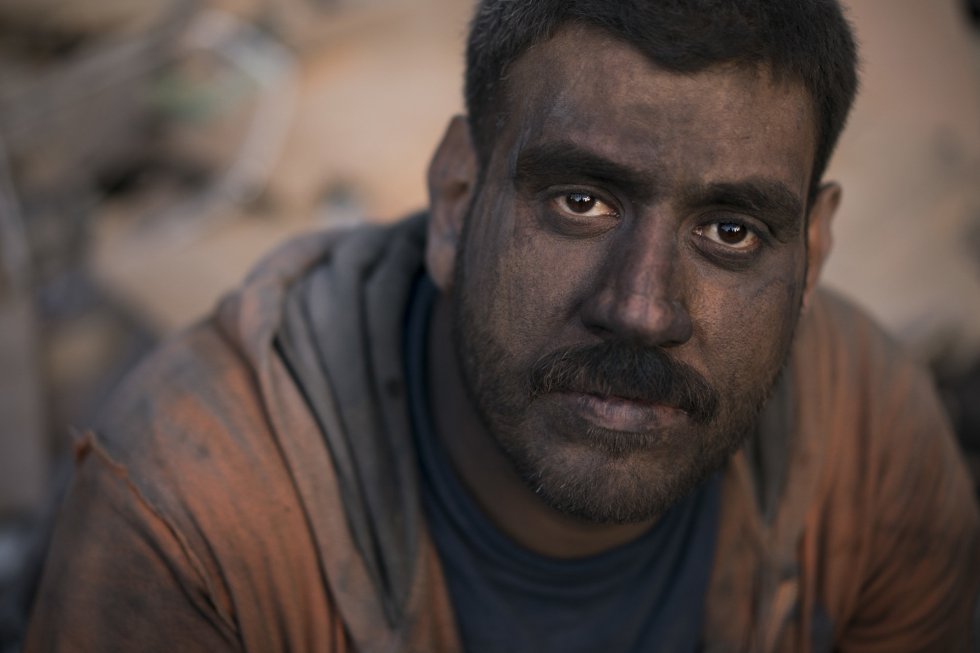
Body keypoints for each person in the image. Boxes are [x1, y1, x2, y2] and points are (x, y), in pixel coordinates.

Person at [24, 1, 980, 651]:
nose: (642, 307)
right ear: (452, 199)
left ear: (809, 257)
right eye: (580, 201)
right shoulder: (194, 516)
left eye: (731, 231)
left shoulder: (870, 431)